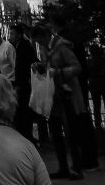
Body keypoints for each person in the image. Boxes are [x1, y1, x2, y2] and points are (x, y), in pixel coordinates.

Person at [32, 22, 86, 181]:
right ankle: (63, 167)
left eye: (40, 40)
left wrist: (59, 72)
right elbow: (48, 66)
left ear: (45, 36)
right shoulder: (45, 48)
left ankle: (76, 168)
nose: (39, 44)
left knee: (71, 133)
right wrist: (40, 67)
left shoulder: (62, 47)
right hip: (53, 95)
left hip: (66, 95)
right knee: (55, 132)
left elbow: (77, 67)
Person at [10, 23, 37, 140]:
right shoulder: (19, 46)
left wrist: (19, 84)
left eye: (12, 34)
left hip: (24, 85)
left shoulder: (23, 47)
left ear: (19, 35)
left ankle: (26, 137)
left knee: (23, 113)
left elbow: (22, 68)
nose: (10, 36)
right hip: (22, 83)